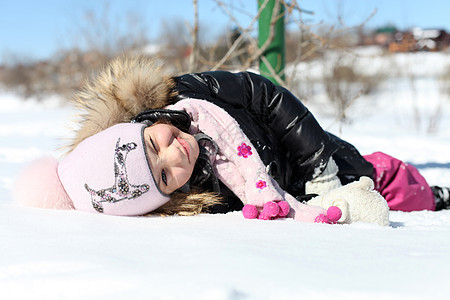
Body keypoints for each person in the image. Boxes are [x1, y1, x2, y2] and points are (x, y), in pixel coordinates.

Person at [14, 55, 450, 223]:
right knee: (379, 202)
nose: (174, 155)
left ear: (138, 126)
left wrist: (320, 169)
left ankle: (437, 196)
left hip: (321, 156)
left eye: (155, 145)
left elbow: (267, 96)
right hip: (303, 194)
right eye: (165, 176)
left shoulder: (189, 93)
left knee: (391, 178)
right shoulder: (197, 195)